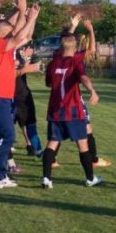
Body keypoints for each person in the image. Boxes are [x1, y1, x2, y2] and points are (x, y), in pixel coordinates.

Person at [0, 0, 41, 189]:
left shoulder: (3, 47)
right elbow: (19, 36)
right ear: (0, 34)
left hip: (3, 97)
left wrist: (30, 17)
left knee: (2, 136)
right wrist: (25, 14)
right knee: (7, 136)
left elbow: (24, 36)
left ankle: (0, 173)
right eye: (8, 32)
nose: (12, 33)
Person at [41, 33, 103, 189]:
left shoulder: (52, 63)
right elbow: (83, 78)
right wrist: (92, 91)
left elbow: (48, 83)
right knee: (82, 144)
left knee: (52, 143)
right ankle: (90, 179)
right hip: (72, 110)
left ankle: (46, 178)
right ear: (75, 47)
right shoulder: (76, 61)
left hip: (55, 110)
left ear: (61, 47)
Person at [14, 43, 44, 158]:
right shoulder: (11, 53)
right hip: (16, 94)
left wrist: (26, 60)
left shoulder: (15, 52)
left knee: (28, 123)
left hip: (18, 93)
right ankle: (37, 150)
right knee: (28, 124)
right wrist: (26, 61)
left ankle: (35, 148)